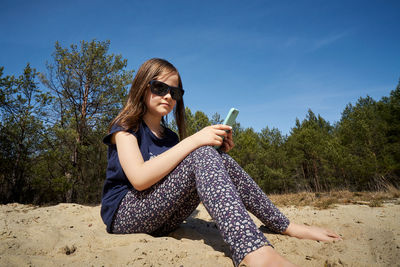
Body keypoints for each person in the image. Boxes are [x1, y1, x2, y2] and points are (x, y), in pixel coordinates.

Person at [101, 58, 341, 267]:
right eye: (160, 87)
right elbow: (140, 179)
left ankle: (283, 224)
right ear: (143, 87)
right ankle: (253, 250)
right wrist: (196, 141)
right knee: (201, 152)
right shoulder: (125, 127)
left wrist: (214, 153)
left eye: (175, 92)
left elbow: (172, 179)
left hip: (160, 219)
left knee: (212, 155)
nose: (168, 96)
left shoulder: (171, 137)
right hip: (124, 214)